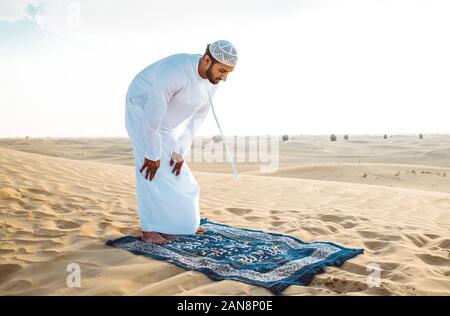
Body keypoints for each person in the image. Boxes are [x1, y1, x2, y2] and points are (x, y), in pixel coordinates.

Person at [125, 40, 238, 244]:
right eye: (222, 70)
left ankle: (179, 226)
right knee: (150, 171)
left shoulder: (213, 81)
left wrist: (180, 151)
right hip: (142, 113)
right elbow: (151, 117)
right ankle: (149, 231)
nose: (225, 77)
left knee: (181, 177)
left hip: (166, 125)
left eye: (229, 72)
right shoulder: (175, 70)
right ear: (206, 60)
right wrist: (151, 153)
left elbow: (198, 118)